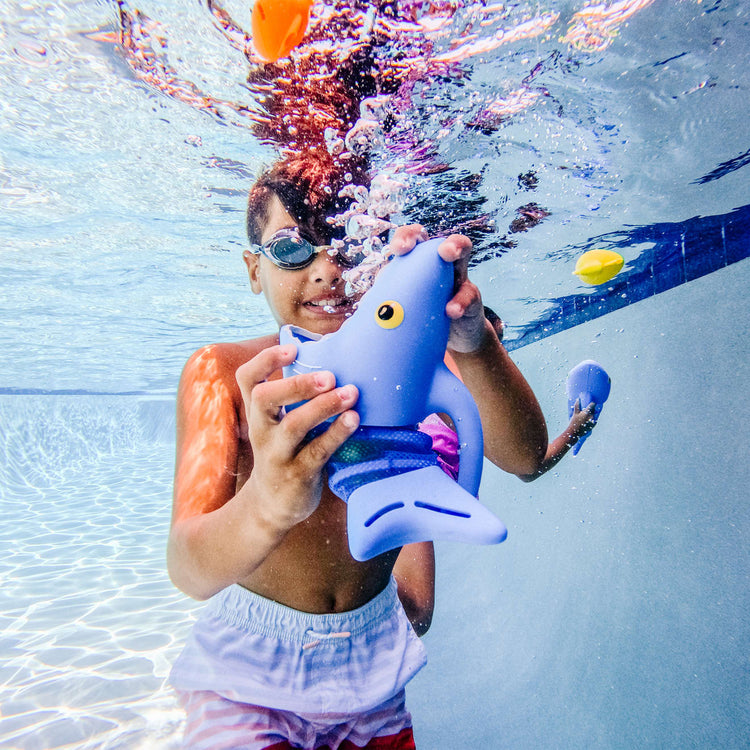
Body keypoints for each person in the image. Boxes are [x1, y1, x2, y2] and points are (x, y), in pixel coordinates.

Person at [167, 157, 548, 750]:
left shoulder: (422, 371)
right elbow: (188, 570)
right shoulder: (222, 372)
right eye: (293, 249)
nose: (327, 271)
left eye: (349, 244)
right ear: (253, 269)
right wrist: (268, 503)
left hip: (375, 673)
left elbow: (524, 458)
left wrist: (472, 343)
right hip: (246, 680)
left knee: (415, 603)